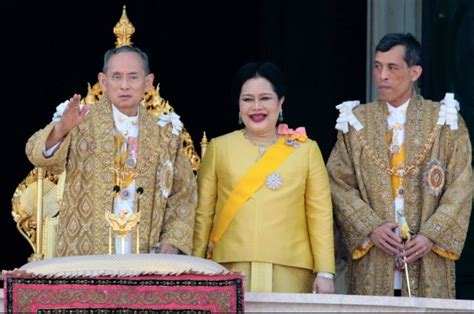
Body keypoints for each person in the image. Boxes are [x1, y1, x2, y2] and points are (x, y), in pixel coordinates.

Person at [327, 33, 472, 298]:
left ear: (415, 72)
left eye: (392, 67)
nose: (382, 75)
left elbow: (461, 186)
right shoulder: (355, 121)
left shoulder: (445, 120)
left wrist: (430, 235)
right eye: (377, 66)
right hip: (374, 258)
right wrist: (371, 226)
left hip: (428, 259)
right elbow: (338, 182)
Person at [25, 46, 197, 256]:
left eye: (133, 77)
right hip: (85, 254)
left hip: (144, 254)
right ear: (103, 81)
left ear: (148, 82)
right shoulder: (80, 121)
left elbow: (183, 195)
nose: (125, 85)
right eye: (117, 77)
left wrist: (171, 242)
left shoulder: (166, 135)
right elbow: (37, 155)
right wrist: (61, 130)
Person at [192, 62, 335, 293]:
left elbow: (320, 214)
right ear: (238, 105)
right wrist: (194, 266)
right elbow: (203, 214)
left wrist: (325, 272)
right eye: (247, 99)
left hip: (291, 268)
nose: (256, 107)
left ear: (280, 102)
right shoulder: (219, 148)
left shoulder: (306, 149)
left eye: (265, 98)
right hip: (228, 267)